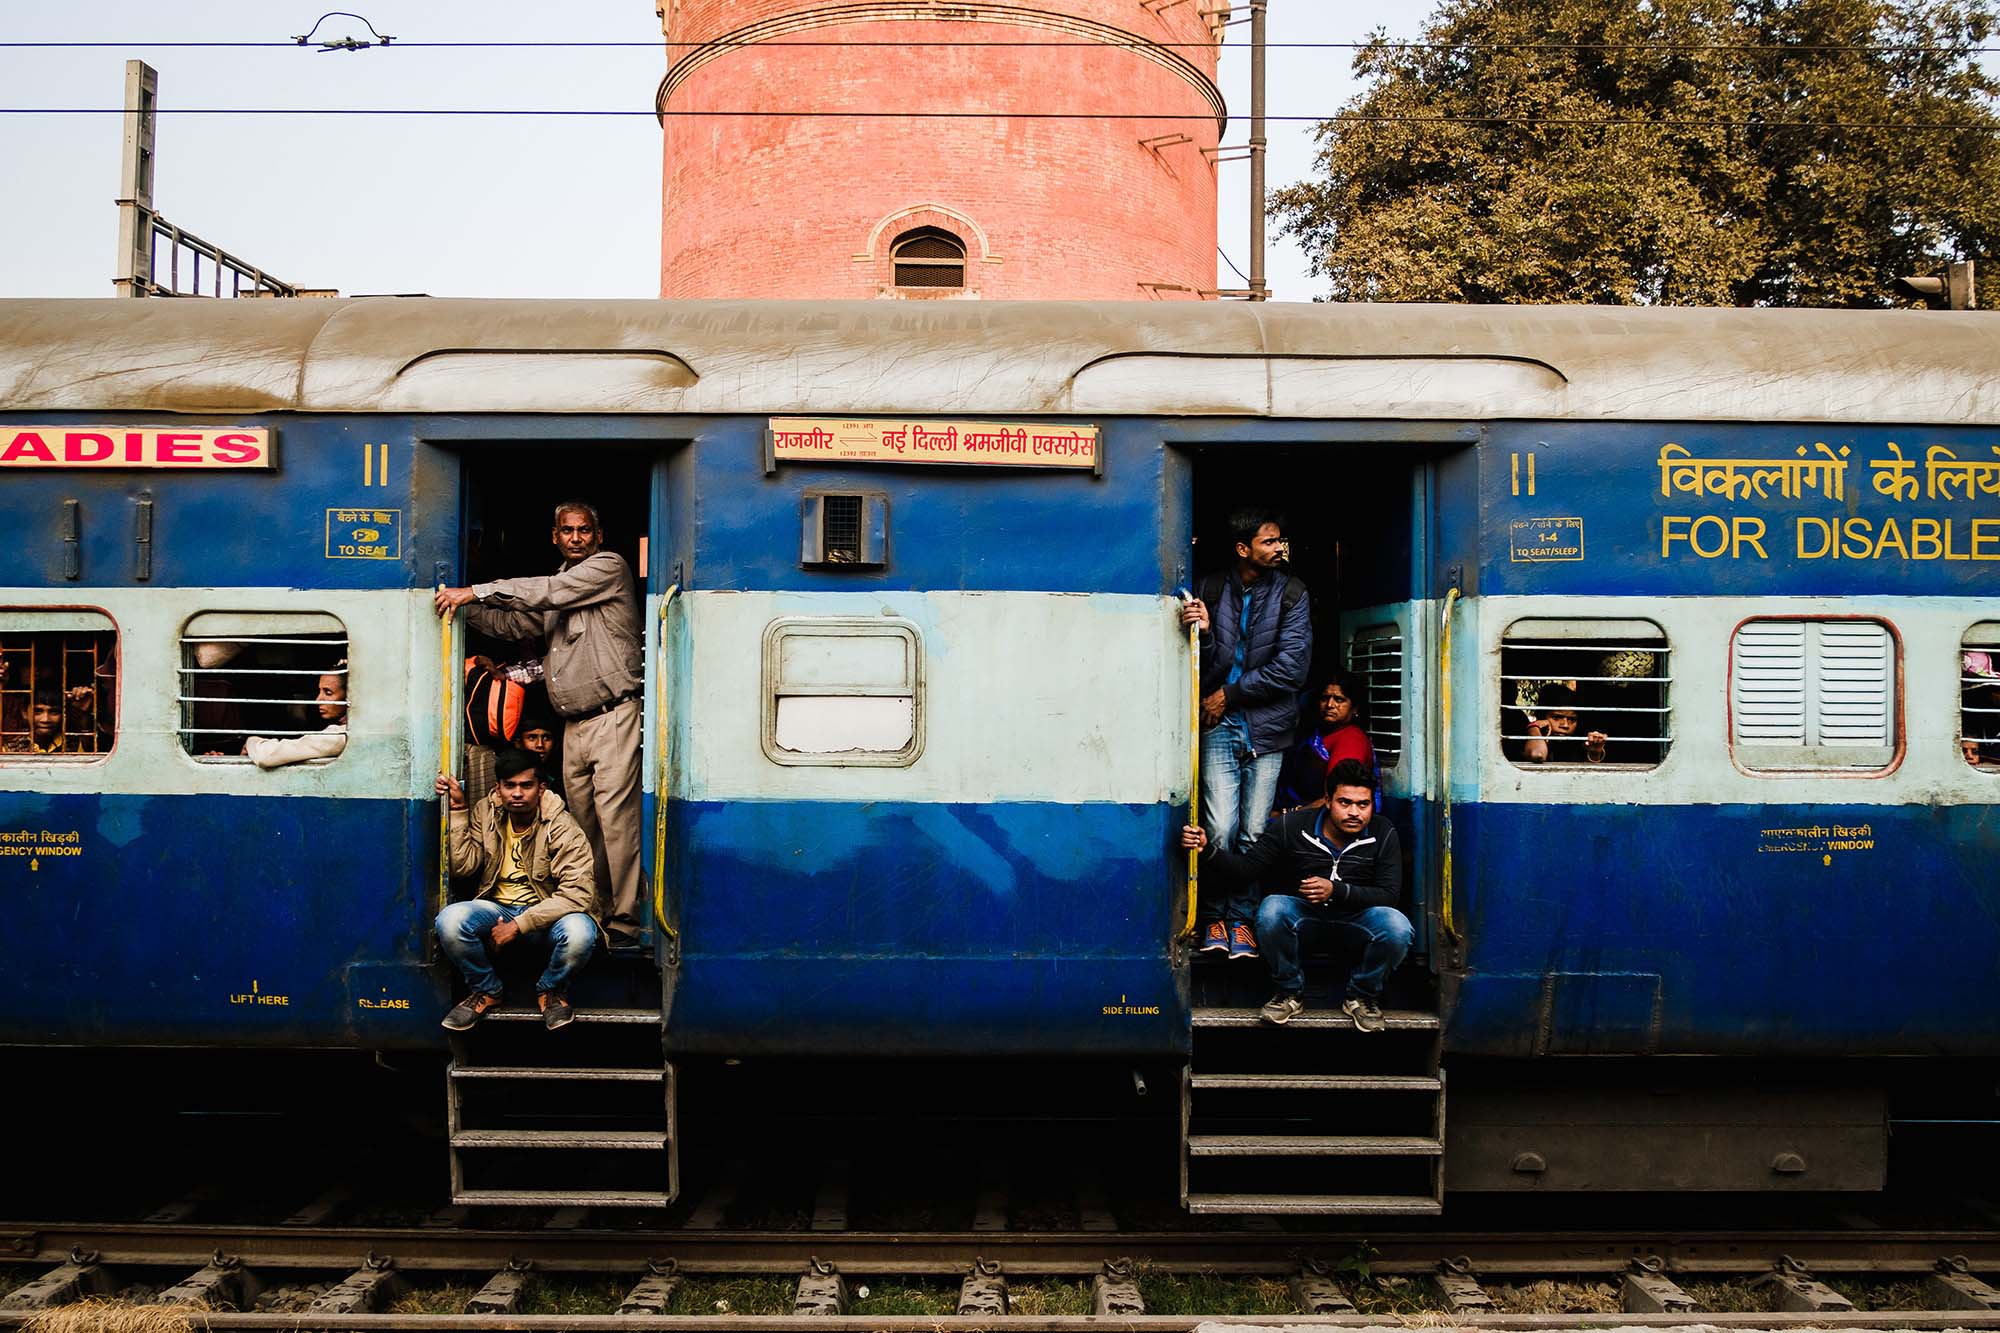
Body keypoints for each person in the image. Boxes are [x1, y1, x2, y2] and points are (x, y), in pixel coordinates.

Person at [434, 501, 644, 946]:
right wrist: (455, 605)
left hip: (612, 716)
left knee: (617, 822)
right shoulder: (559, 592)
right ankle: (592, 911)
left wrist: (475, 590)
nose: (575, 538)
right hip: (573, 724)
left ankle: (624, 921)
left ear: (598, 535)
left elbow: (548, 590)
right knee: (585, 823)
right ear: (554, 536)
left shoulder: (607, 567)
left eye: (584, 530)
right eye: (567, 531)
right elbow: (513, 624)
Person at [1179, 758, 1412, 1030]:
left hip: (1356, 925)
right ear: (1327, 800)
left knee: (1397, 926)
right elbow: (1246, 870)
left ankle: (1362, 996)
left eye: (1363, 805)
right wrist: (1207, 849)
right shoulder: (1291, 826)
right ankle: (1289, 992)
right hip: (1305, 923)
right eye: (1344, 803)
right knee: (1272, 910)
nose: (1354, 813)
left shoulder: (1383, 832)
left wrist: (1336, 891)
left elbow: (1389, 895)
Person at [1179, 509, 1312, 960]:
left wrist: (1229, 696)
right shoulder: (1210, 589)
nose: (1279, 548)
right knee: (1219, 828)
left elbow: (1291, 670)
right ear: (1244, 549)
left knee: (1255, 832)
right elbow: (1203, 665)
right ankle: (1216, 918)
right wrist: (1206, 633)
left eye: (1280, 541)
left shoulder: (1293, 593)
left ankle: (1243, 922)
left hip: (1267, 729)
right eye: (1270, 541)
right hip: (1218, 725)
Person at [434, 749, 599, 1031]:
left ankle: (551, 991)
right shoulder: (486, 811)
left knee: (581, 933)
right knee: (449, 920)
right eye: (509, 786)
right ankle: (486, 990)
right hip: (496, 907)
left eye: (526, 785)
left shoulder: (561, 825)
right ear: (498, 789)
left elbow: (578, 894)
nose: (517, 793)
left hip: (546, 911)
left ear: (541, 788)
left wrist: (519, 925)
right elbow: (464, 867)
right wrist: (459, 810)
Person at [1274, 672, 1376, 811]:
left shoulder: (1351, 739)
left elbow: (1337, 800)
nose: (1330, 705)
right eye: (1325, 698)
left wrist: (1288, 816)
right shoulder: (1319, 732)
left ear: (1355, 708)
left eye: (1339, 700)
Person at [243, 668, 349, 769]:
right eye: (320, 691)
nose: (318, 700)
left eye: (328, 693)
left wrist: (251, 742)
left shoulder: (342, 736)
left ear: (349, 695)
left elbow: (266, 757)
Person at [1518, 683, 1607, 764]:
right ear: (1543, 716)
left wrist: (1595, 753)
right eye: (1556, 717)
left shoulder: (1578, 745)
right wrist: (1534, 727)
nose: (1565, 725)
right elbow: (1538, 755)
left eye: (1572, 719)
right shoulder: (1527, 739)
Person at [3, 685, 98, 755]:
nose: (45, 719)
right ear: (24, 713)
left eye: (54, 712)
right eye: (38, 711)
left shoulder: (73, 743)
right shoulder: (11, 747)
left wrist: (83, 713)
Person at [517, 711, 564, 802]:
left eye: (546, 738)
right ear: (518, 743)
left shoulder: (562, 777)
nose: (540, 744)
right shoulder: (510, 775)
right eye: (532, 738)